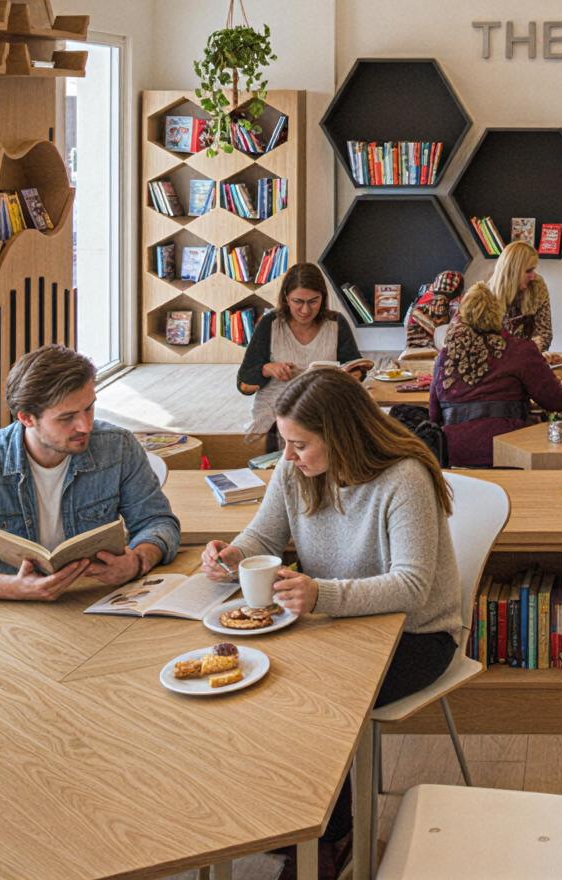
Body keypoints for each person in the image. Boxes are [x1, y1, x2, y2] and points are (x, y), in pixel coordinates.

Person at [197, 368, 461, 878]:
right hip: (337, 624)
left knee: (313, 700)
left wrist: (322, 594)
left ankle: (330, 835)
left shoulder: (405, 478)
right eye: (285, 443)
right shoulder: (295, 470)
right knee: (261, 683)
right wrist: (231, 555)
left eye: (299, 445)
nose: (288, 456)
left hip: (417, 633)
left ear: (340, 436)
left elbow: (412, 587)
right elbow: (262, 537)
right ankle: (294, 820)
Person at [0, 345, 181, 601]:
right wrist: (14, 587)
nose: (85, 426)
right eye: (67, 418)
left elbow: (158, 522)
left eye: (89, 408)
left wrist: (137, 561)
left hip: (96, 598)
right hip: (8, 609)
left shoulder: (118, 447)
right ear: (27, 418)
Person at [430, 283, 562, 467]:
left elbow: (434, 414)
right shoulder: (519, 350)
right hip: (509, 452)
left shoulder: (446, 356)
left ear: (462, 315)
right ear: (498, 314)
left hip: (456, 457)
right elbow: (557, 401)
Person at [237, 263, 366, 449]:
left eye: (313, 301)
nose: (305, 310)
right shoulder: (270, 323)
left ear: (323, 298)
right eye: (298, 301)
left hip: (325, 403)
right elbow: (244, 384)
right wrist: (267, 369)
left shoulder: (335, 322)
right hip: (278, 407)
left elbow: (356, 367)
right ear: (286, 298)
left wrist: (349, 375)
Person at [486, 240, 553, 351]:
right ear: (513, 271)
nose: (533, 276)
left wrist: (538, 344)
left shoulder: (537, 287)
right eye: (528, 271)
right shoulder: (486, 297)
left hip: (529, 357)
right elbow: (484, 343)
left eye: (533, 270)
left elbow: (545, 334)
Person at [403, 269, 464, 350]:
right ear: (457, 296)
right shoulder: (452, 313)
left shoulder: (421, 306)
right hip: (435, 356)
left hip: (411, 354)